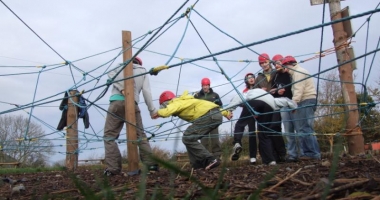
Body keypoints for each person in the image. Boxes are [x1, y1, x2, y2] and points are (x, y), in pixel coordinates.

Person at [103, 57, 158, 176]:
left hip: (116, 103)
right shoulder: (142, 70)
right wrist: (152, 110)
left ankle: (113, 169)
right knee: (140, 135)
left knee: (109, 136)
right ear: (139, 63)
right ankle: (151, 165)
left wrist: (122, 88)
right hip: (133, 104)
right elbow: (146, 92)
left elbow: (110, 73)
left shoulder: (120, 66)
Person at [152, 90, 233, 170]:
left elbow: (168, 111)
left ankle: (210, 159)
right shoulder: (185, 101)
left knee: (187, 137)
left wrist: (158, 113)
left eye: (163, 106)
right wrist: (226, 113)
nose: (164, 107)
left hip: (208, 116)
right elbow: (210, 105)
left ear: (166, 102)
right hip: (215, 115)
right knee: (189, 138)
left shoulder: (175, 102)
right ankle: (197, 165)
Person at [225, 88, 297, 165]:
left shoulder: (246, 94)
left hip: (253, 102)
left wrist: (229, 110)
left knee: (240, 124)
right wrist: (293, 106)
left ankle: (237, 143)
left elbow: (237, 99)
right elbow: (283, 100)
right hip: (269, 107)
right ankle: (270, 160)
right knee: (264, 134)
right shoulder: (268, 96)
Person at [282, 55, 321, 160]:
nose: (285, 70)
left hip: (306, 101)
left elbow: (299, 89)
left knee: (305, 128)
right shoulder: (296, 72)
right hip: (306, 100)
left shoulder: (298, 72)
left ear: (289, 65)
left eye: (284, 67)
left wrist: (294, 104)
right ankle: (308, 153)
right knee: (304, 128)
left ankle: (312, 153)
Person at [254, 53, 286, 163]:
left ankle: (282, 154)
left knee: (276, 128)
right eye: (261, 63)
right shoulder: (258, 77)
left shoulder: (276, 73)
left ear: (269, 62)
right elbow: (254, 94)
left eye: (265, 62)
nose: (263, 65)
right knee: (265, 130)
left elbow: (283, 82)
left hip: (275, 103)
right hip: (264, 107)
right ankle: (271, 157)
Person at [270, 54, 299, 162]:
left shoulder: (289, 74)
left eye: (278, 63)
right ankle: (292, 154)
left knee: (299, 128)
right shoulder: (275, 76)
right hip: (282, 105)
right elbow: (272, 91)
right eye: (274, 64)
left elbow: (296, 87)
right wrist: (277, 91)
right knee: (288, 131)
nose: (276, 65)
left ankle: (305, 153)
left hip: (293, 102)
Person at [231, 73, 258, 165]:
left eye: (252, 77)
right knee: (250, 132)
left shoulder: (258, 88)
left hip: (259, 110)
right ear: (246, 80)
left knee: (257, 133)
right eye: (249, 78)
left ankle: (255, 156)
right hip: (249, 112)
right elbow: (241, 102)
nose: (251, 79)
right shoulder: (244, 91)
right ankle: (238, 144)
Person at [194, 77, 223, 158]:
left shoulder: (215, 95)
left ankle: (217, 157)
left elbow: (220, 106)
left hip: (214, 119)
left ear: (209, 86)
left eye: (207, 85)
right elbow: (193, 107)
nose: (205, 87)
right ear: (201, 86)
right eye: (204, 85)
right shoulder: (197, 95)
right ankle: (205, 158)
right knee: (203, 140)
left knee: (215, 139)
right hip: (202, 120)